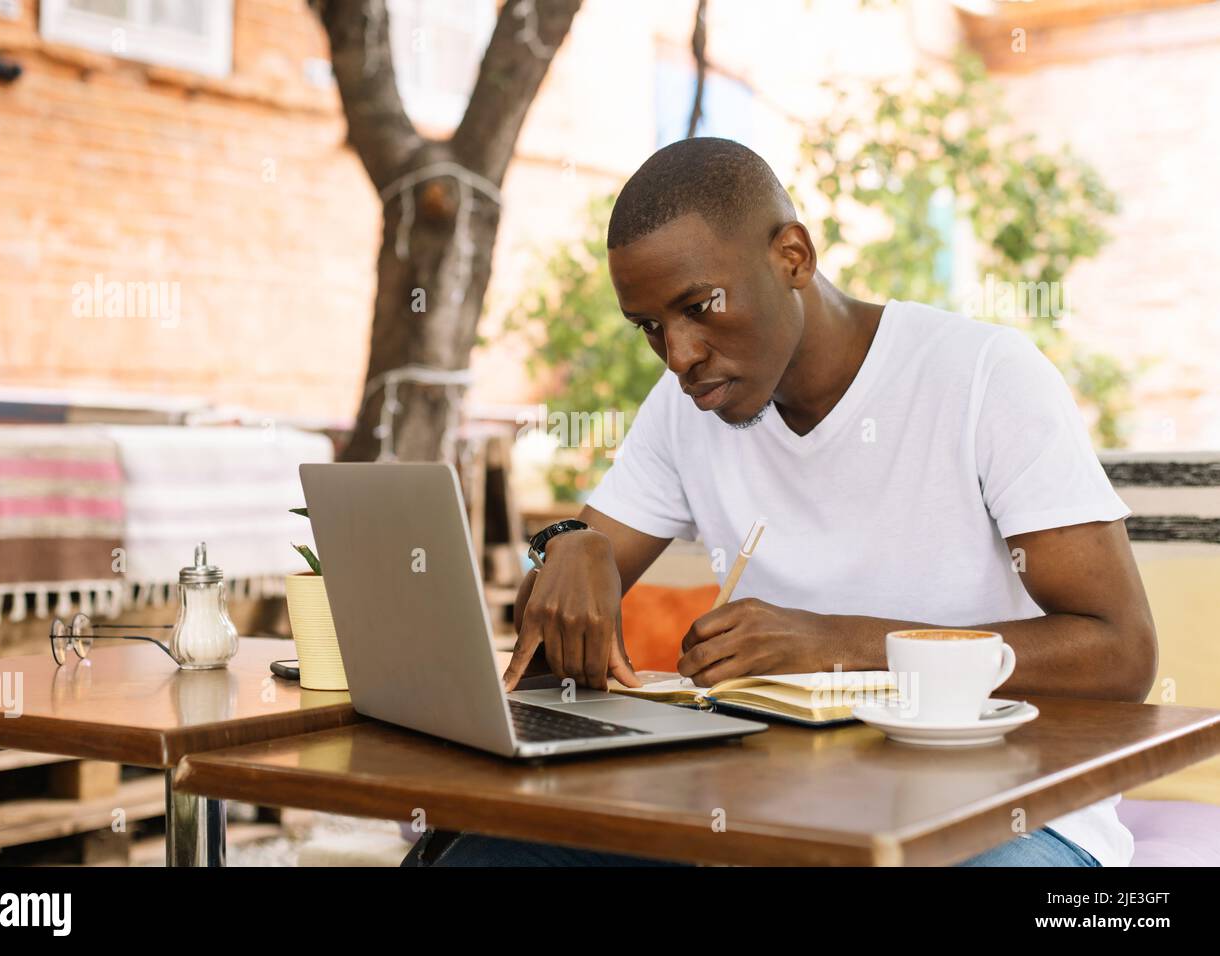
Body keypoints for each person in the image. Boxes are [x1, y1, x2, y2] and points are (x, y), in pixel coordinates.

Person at [404, 137, 1157, 868]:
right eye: (651, 329)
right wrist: (567, 543)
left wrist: (840, 649)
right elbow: (556, 599)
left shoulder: (984, 378)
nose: (680, 354)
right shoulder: (683, 409)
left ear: (792, 257)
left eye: (700, 306)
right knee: (479, 857)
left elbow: (1120, 652)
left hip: (1002, 816)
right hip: (767, 812)